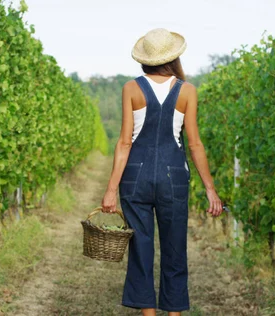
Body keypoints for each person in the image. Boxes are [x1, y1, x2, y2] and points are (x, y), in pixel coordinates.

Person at [100, 28, 224, 316]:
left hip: (135, 178)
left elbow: (124, 142)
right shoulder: (187, 90)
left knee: (141, 250)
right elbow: (194, 143)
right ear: (173, 56)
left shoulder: (131, 88)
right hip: (173, 179)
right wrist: (210, 188)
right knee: (175, 250)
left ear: (145, 58)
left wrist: (110, 190)